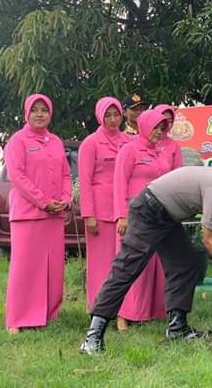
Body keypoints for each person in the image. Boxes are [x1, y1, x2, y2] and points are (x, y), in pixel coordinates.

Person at [79, 154, 212, 355]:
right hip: (149, 210)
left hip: (167, 215)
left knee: (186, 263)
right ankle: (93, 337)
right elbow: (210, 241)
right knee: (127, 268)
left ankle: (177, 328)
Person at [4, 94, 72, 334]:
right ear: (27, 113)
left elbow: (65, 174)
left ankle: (48, 313)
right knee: (25, 268)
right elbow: (17, 176)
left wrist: (65, 199)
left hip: (54, 216)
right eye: (35, 110)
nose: (40, 114)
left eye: (44, 110)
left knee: (53, 267)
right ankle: (17, 318)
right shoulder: (18, 141)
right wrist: (44, 202)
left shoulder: (55, 141)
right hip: (28, 215)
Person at [113, 109, 177, 330]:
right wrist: (122, 216)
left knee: (152, 265)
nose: (159, 132)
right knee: (130, 263)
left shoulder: (161, 153)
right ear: (144, 126)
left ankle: (147, 312)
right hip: (134, 214)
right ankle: (122, 315)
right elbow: (119, 183)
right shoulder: (129, 150)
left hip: (158, 215)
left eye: (162, 128)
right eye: (155, 127)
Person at [79, 97, 131, 311]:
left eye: (116, 114)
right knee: (101, 265)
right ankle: (99, 309)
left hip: (125, 211)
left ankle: (124, 309)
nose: (112, 119)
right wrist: (88, 214)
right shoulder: (90, 143)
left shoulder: (129, 141)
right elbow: (85, 180)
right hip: (100, 213)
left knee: (124, 262)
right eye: (107, 115)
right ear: (99, 117)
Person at [153, 104, 183, 170]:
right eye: (162, 120)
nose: (166, 124)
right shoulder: (140, 141)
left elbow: (178, 172)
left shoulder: (174, 146)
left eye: (169, 121)